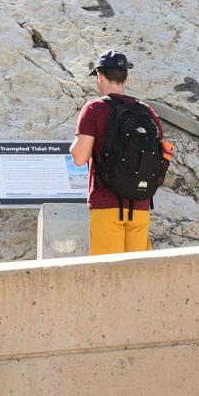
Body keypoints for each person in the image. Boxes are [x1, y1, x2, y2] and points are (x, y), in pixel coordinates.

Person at [70, 49, 170, 255]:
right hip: (141, 204)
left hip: (106, 205)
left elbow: (80, 157)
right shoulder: (146, 111)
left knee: (107, 274)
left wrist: (73, 145)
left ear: (99, 76)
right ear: (125, 77)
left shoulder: (94, 109)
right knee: (136, 275)